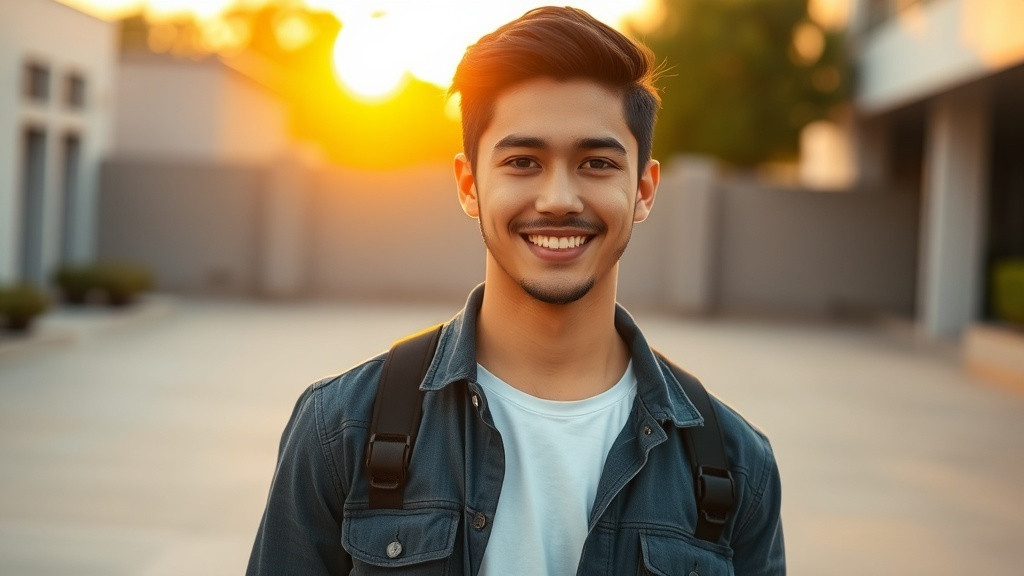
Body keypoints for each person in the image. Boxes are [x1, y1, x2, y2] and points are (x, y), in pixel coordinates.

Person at [246, 6, 784, 575]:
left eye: (597, 162)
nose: (558, 198)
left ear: (645, 189)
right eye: (523, 161)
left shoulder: (736, 466)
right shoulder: (341, 428)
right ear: (470, 184)